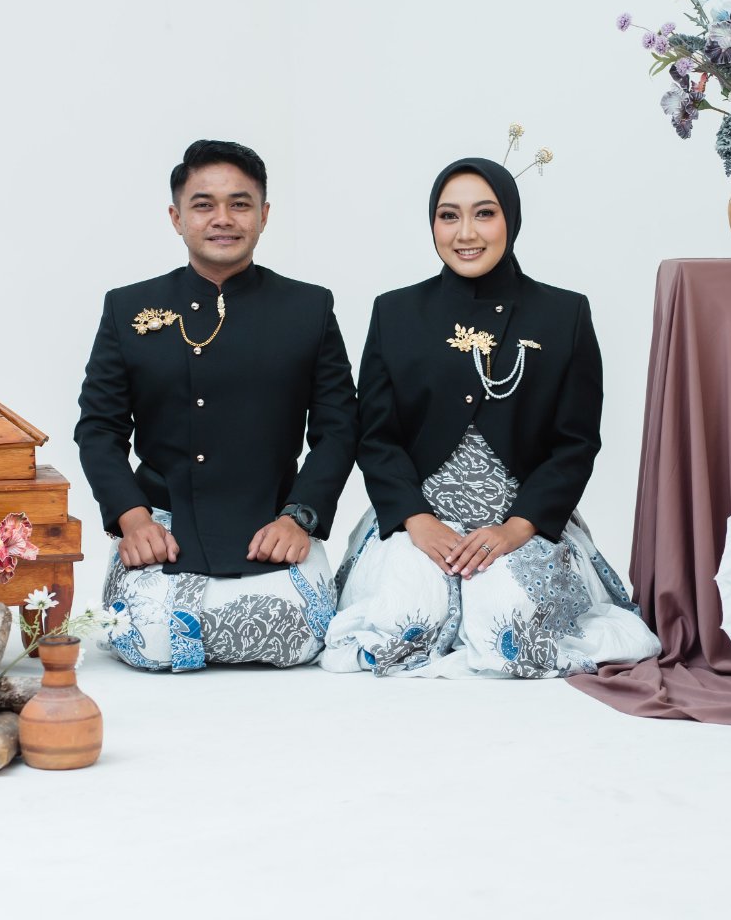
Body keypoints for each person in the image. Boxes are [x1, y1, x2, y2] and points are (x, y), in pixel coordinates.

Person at [322, 157, 660, 678]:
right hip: (419, 519)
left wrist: (517, 528)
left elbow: (575, 442)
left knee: (510, 621)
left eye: (484, 213)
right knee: (403, 621)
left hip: (521, 520)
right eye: (448, 216)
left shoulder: (564, 314)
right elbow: (376, 436)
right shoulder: (395, 312)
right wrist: (417, 520)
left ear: (511, 219)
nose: (465, 233)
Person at [76, 140, 357, 671]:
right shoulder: (128, 307)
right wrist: (132, 519)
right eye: (203, 204)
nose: (222, 219)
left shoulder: (309, 307)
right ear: (176, 218)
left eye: (240, 204)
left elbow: (339, 428)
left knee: (301, 638)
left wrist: (300, 518)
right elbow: (98, 429)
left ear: (264, 215)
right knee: (148, 643)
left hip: (273, 522)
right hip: (162, 523)